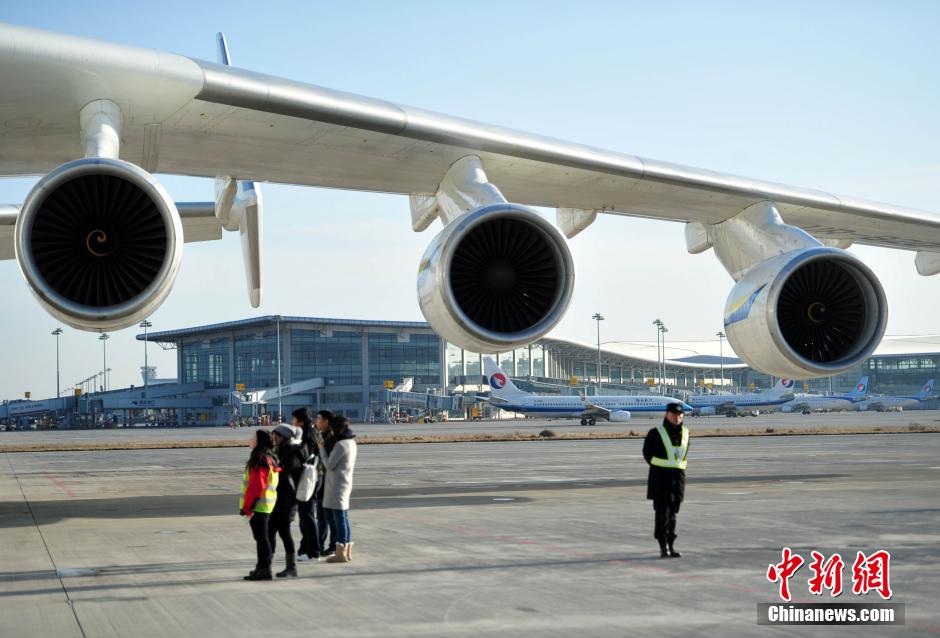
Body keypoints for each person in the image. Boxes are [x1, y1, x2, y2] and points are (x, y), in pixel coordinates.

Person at [643, 402, 690, 558]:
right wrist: (660, 469)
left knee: (673, 516)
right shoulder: (655, 433)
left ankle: (671, 545)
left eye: (680, 415)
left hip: (678, 482)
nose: (677, 417)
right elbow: (647, 454)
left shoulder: (685, 434)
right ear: (666, 415)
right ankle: (664, 547)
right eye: (674, 414)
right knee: (662, 516)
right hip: (660, 481)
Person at [317, 414, 358, 563]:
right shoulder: (351, 442)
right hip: (343, 483)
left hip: (337, 486)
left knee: (339, 519)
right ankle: (345, 552)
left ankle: (341, 553)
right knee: (343, 517)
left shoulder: (341, 445)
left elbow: (329, 464)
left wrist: (321, 449)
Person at [239, 429, 280, 580]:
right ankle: (261, 567)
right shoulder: (269, 457)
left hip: (260, 506)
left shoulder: (260, 459)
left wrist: (247, 507)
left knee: (262, 540)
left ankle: (265, 570)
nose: (250, 439)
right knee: (263, 539)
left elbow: (256, 486)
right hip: (266, 505)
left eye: (253, 438)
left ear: (259, 441)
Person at [268, 424, 305, 577]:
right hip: (280, 499)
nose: (274, 438)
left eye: (276, 435)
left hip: (287, 501)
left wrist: (273, 468)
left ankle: (290, 567)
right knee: (272, 532)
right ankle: (266, 565)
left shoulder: (291, 453)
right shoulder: (282, 452)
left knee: (283, 532)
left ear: (284, 437)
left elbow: (285, 474)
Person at [291, 407, 325, 562]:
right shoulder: (312, 431)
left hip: (309, 477)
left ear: (300, 420)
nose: (292, 422)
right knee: (306, 515)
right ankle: (305, 548)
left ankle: (314, 551)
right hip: (314, 475)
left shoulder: (306, 434)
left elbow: (304, 455)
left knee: (307, 515)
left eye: (294, 419)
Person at [308, 409, 335, 559]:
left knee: (329, 517)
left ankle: (332, 546)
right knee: (323, 517)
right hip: (321, 480)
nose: (316, 421)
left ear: (326, 421)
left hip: (328, 482)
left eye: (318, 419)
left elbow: (328, 461)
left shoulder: (330, 438)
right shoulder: (319, 434)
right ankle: (320, 545)